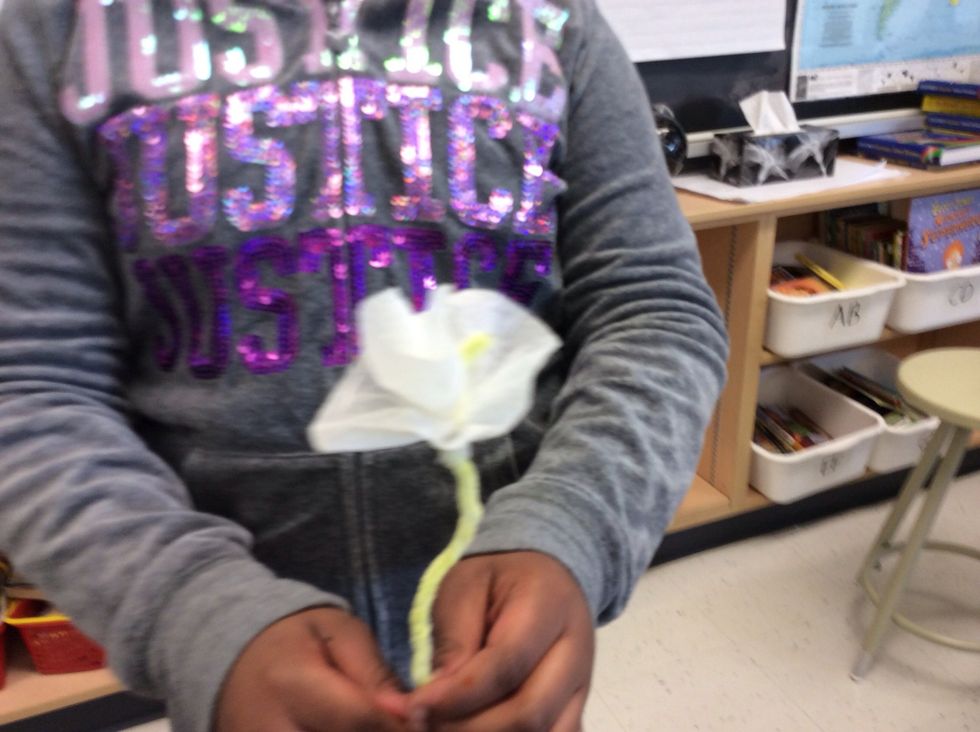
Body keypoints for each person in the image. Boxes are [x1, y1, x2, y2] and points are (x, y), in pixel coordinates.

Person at [0, 1, 728, 730]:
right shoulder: (52, 32)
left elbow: (654, 310)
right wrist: (194, 609)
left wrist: (576, 523)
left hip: (503, 665)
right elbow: (30, 390)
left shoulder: (554, 22)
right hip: (242, 671)